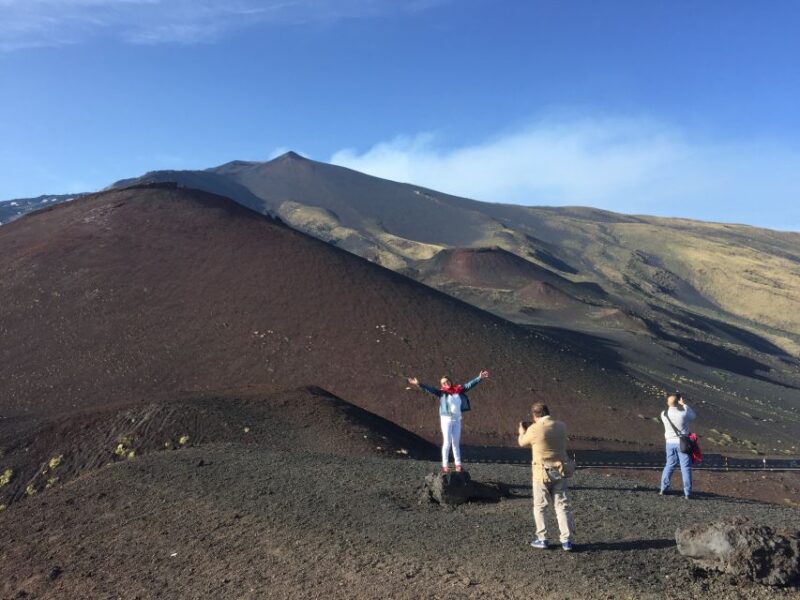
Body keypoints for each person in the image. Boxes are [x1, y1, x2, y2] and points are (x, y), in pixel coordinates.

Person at [517, 402, 575, 551]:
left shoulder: (534, 429)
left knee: (541, 506)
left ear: (535, 415)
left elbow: (522, 443)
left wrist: (522, 431)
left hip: (541, 473)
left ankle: (542, 538)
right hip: (560, 471)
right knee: (562, 506)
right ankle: (566, 540)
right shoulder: (562, 426)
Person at [407, 370, 489, 473]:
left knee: (455, 443)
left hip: (457, 419)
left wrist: (479, 378)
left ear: (450, 381)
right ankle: (445, 466)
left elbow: (469, 385)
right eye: (443, 383)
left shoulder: (458, 390)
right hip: (446, 420)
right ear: (442, 385)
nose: (446, 383)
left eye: (447, 381)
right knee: (447, 442)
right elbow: (430, 389)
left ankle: (458, 465)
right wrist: (419, 384)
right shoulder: (441, 393)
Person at [659, 392, 697, 499]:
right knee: (685, 467)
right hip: (682, 443)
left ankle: (663, 489)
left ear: (668, 403)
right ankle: (687, 493)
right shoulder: (683, 414)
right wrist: (684, 404)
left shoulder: (663, 414)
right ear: (677, 403)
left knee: (669, 465)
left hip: (669, 443)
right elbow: (693, 415)